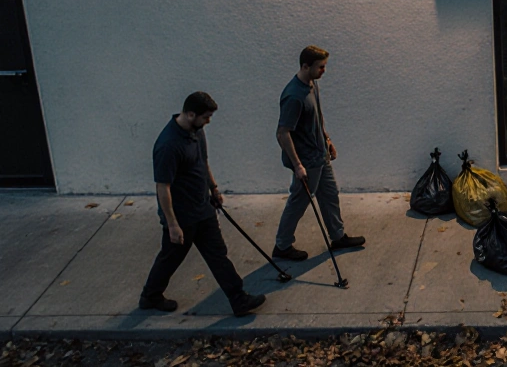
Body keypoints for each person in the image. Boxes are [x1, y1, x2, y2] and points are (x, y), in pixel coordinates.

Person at [140, 92, 267, 317]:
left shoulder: (197, 132)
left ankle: (239, 300)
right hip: (182, 216)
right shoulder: (168, 145)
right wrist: (172, 224)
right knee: (171, 257)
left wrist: (213, 189)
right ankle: (150, 296)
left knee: (218, 254)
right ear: (191, 114)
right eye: (206, 117)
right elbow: (163, 187)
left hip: (202, 208)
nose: (208, 121)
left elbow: (202, 162)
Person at [272, 45, 365, 261]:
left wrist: (327, 139)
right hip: (307, 161)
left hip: (321, 154)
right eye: (321, 67)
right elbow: (282, 133)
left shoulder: (312, 85)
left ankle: (338, 236)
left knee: (330, 194)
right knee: (299, 201)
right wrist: (298, 165)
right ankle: (282, 245)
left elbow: (317, 117)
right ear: (306, 66)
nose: (324, 71)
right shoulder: (293, 96)